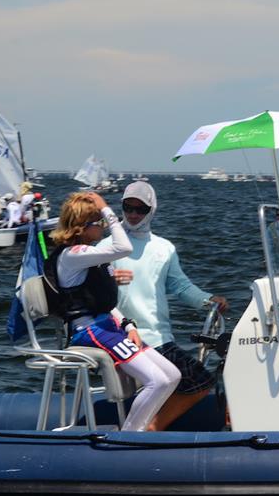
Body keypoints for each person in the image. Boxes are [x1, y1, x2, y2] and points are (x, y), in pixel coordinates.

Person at [99, 181, 228, 431]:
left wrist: (208, 300)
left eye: (141, 209)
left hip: (159, 338)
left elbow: (181, 287)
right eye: (128, 207)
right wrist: (107, 279)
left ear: (152, 210)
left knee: (196, 378)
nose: (134, 214)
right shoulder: (106, 248)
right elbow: (89, 291)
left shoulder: (164, 248)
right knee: (201, 381)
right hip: (122, 337)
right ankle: (152, 427)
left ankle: (150, 423)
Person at [49, 191, 180, 431]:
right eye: (98, 223)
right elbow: (123, 247)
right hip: (89, 331)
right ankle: (131, 435)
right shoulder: (73, 255)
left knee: (172, 375)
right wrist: (106, 209)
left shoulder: (88, 255)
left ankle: (134, 432)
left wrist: (128, 326)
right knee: (157, 381)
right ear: (82, 227)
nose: (103, 227)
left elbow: (105, 304)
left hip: (107, 326)